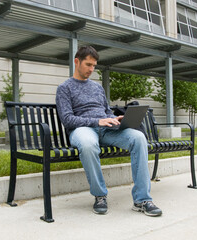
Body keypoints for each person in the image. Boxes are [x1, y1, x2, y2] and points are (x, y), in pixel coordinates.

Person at [55, 46, 162, 217]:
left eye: (94, 66)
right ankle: (100, 195)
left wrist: (114, 119)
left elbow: (106, 111)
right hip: (83, 130)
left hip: (107, 129)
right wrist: (97, 121)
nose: (91, 69)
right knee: (88, 145)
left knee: (139, 137)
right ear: (77, 61)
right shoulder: (64, 89)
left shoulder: (98, 88)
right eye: (88, 65)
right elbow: (67, 119)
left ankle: (142, 199)